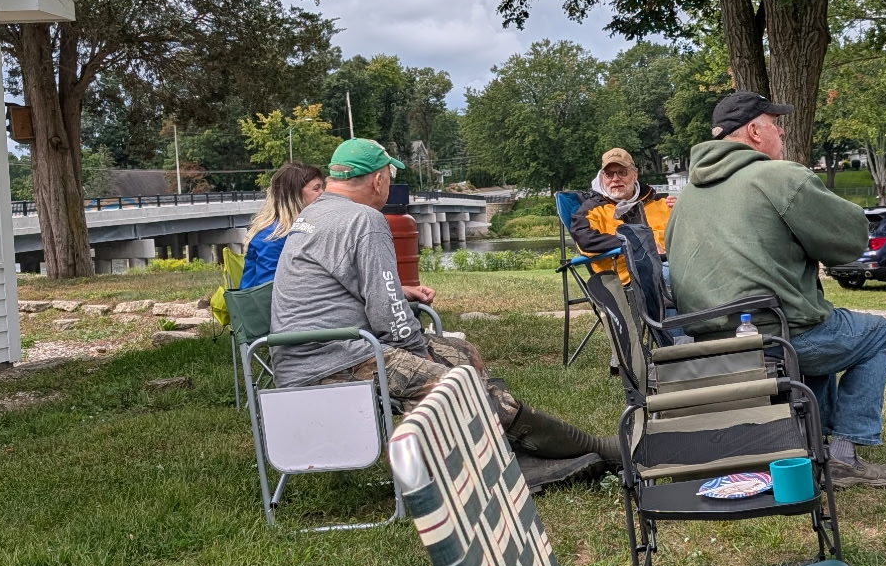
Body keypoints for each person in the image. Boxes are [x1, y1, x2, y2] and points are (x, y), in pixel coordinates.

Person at [270, 138, 621, 490]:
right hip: (332, 362)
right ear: (378, 180)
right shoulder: (365, 220)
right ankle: (576, 451)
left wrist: (405, 306)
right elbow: (388, 316)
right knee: (455, 385)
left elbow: (347, 287)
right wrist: (418, 353)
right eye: (390, 176)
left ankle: (504, 450)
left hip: (309, 354)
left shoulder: (314, 214)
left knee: (461, 352)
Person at [665, 93, 886, 488]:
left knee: (820, 324)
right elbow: (849, 240)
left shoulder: (687, 197)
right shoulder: (778, 177)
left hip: (708, 342)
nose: (783, 131)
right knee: (876, 334)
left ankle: (809, 441)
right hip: (775, 336)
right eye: (776, 123)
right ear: (755, 131)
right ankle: (844, 453)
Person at [568, 147, 672, 282]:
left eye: (622, 172)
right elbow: (585, 241)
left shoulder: (661, 203)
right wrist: (635, 242)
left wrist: (682, 210)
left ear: (635, 175)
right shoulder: (591, 210)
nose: (615, 179)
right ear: (602, 178)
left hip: (672, 264)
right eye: (609, 174)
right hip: (627, 277)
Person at [241, 163, 325, 288]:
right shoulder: (273, 236)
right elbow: (269, 287)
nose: (323, 193)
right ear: (295, 194)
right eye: (316, 189)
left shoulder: (299, 227)